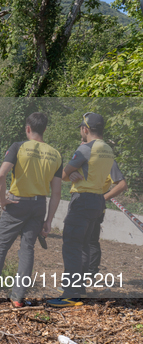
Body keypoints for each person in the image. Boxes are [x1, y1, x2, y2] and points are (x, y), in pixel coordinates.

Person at [0, 112, 63, 307]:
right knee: (27, 249)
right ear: (45, 129)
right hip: (39, 206)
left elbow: (0, 176)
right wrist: (48, 220)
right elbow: (56, 193)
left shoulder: (18, 147)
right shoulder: (55, 154)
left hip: (17, 203)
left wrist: (3, 200)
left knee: (1, 246)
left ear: (28, 129)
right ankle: (18, 297)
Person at [47, 112, 118, 308]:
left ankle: (70, 294)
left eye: (81, 129)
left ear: (85, 129)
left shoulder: (85, 148)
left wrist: (72, 174)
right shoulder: (108, 150)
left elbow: (63, 174)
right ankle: (79, 290)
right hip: (98, 201)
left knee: (71, 245)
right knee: (85, 245)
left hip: (82, 200)